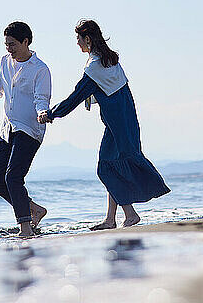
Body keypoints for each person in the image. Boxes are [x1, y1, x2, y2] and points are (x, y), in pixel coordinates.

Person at [38, 20, 170, 230]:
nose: (77, 43)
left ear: (87, 39)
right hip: (126, 123)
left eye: (78, 39)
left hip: (118, 127)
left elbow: (76, 97)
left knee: (106, 169)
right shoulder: (110, 61)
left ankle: (129, 214)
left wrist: (51, 114)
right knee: (113, 167)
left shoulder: (95, 67)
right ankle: (111, 219)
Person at [0, 21, 51, 237]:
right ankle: (34, 209)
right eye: (6, 44)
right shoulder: (4, 62)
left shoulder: (40, 69)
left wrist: (42, 111)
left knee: (13, 177)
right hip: (8, 128)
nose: (9, 48)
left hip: (30, 129)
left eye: (12, 44)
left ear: (26, 42)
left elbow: (42, 97)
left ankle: (25, 228)